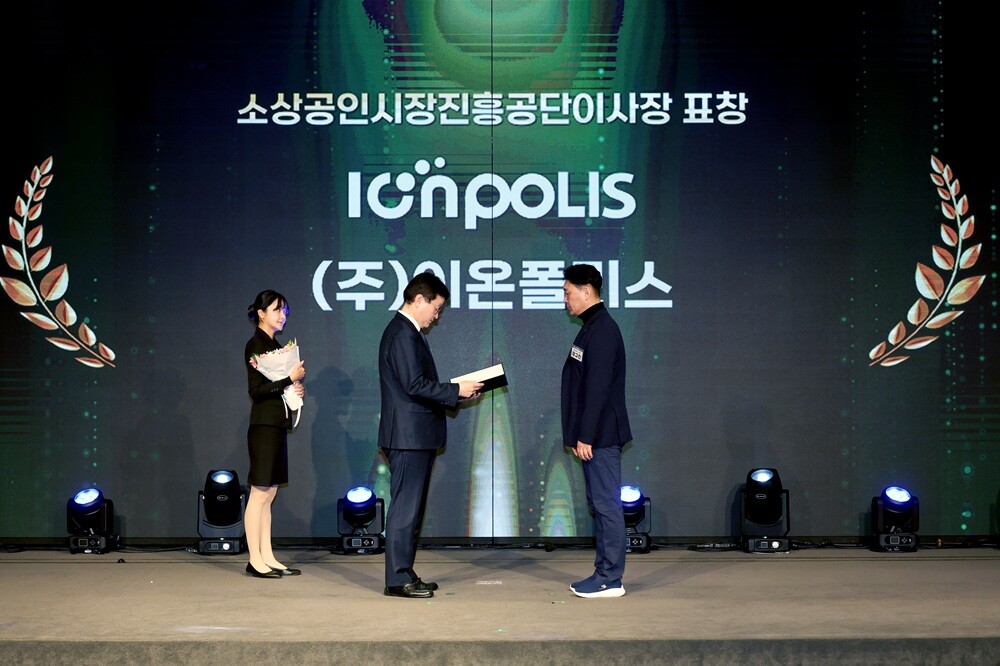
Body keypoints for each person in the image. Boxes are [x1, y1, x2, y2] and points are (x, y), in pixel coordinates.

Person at [378, 272, 483, 598]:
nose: (436, 316)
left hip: (414, 436)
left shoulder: (407, 332)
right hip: (407, 437)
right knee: (405, 510)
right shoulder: (402, 334)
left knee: (412, 510)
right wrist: (455, 389)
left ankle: (405, 571)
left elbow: (417, 386)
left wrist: (457, 393)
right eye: (436, 308)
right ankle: (397, 579)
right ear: (419, 299)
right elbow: (414, 385)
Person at [561, 264, 633, 598]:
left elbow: (598, 388)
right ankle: (603, 572)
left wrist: (586, 435)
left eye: (568, 292)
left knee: (606, 506)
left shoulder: (602, 329)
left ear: (586, 291)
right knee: (600, 504)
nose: (565, 299)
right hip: (596, 434)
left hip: (601, 435)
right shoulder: (592, 327)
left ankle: (610, 578)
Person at [243, 289, 306, 579]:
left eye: (285, 311)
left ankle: (267, 556)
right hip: (263, 427)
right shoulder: (255, 345)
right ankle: (254, 559)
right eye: (278, 310)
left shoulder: (276, 345)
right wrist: (287, 379)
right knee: (259, 493)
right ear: (261, 313)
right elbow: (256, 391)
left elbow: (279, 386)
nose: (283, 316)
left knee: (269, 494)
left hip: (277, 425)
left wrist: (294, 388)